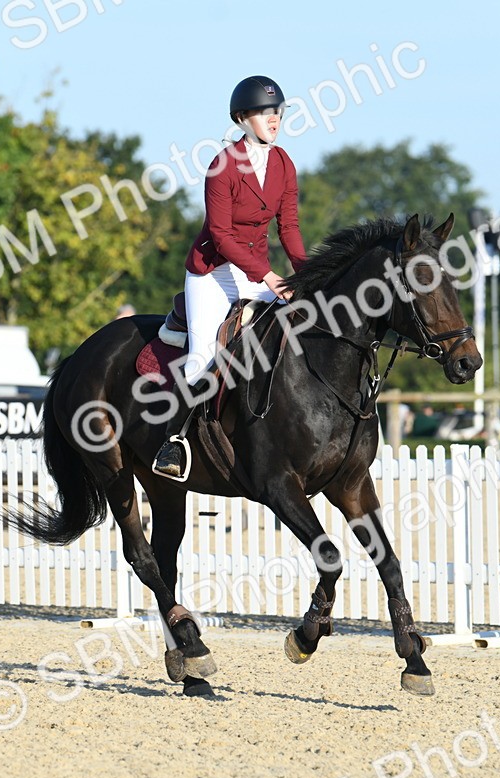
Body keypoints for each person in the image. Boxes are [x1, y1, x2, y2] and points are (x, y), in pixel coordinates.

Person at [152, 76, 309, 479]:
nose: (274, 119)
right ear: (242, 118)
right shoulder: (222, 167)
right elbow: (220, 235)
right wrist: (269, 277)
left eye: (278, 112)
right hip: (212, 273)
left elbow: (289, 227)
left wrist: (308, 276)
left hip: (256, 272)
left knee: (299, 327)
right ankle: (174, 441)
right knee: (203, 359)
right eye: (264, 112)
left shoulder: (284, 164)